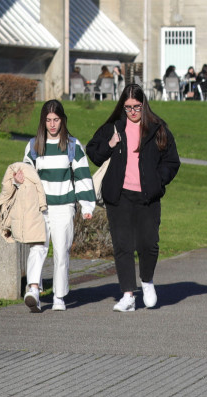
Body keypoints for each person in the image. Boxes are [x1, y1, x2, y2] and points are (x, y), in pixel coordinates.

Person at [86, 85, 180, 312]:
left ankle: (147, 281)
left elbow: (172, 161)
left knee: (148, 244)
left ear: (143, 104)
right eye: (128, 107)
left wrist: (159, 180)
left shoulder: (158, 129)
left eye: (136, 107)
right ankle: (128, 295)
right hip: (119, 196)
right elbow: (93, 152)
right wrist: (110, 145)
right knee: (122, 245)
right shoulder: (114, 127)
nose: (132, 112)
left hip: (148, 196)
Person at [15, 100, 95, 312]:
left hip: (64, 206)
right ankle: (33, 290)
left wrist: (87, 206)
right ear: (43, 121)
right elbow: (25, 175)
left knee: (61, 250)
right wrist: (19, 178)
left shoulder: (72, 146)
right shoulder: (33, 146)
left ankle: (59, 296)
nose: (52, 124)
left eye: (56, 120)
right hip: (40, 208)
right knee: (37, 247)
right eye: (48, 120)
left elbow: (82, 175)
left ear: (62, 120)